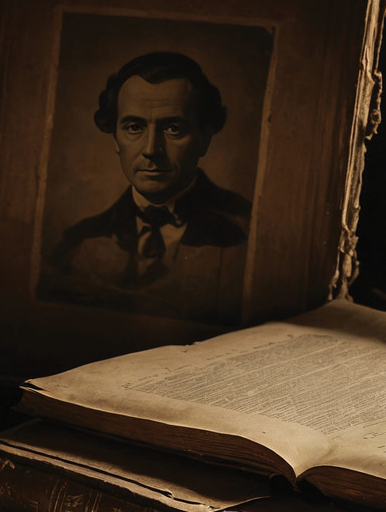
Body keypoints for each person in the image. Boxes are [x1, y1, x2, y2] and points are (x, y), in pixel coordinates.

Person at [41, 51, 251, 324]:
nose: (151, 149)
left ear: (205, 137)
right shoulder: (76, 244)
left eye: (173, 128)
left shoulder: (250, 235)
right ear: (115, 138)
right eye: (134, 127)